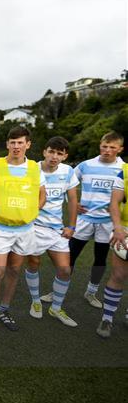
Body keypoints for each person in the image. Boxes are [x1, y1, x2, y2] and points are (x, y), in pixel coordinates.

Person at [0, 126, 46, 345]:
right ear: (7, 144)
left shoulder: (35, 167)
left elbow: (42, 194)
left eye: (20, 142)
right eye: (12, 142)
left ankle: (4, 310)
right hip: (0, 229)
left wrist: (33, 211)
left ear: (28, 144)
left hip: (24, 230)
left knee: (14, 270)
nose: (16, 146)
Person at [23, 137, 79, 327]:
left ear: (65, 156)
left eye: (59, 153)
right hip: (34, 227)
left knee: (64, 269)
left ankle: (56, 307)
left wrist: (71, 226)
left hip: (57, 229)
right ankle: (36, 301)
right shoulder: (31, 169)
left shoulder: (68, 172)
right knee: (34, 263)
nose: (54, 156)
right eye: (52, 152)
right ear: (44, 152)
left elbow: (72, 200)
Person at [69, 131, 124, 308]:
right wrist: (73, 204)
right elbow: (67, 183)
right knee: (70, 255)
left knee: (100, 259)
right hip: (84, 219)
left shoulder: (124, 169)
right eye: (104, 146)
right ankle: (58, 289)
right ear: (100, 146)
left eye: (112, 147)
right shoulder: (85, 165)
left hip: (107, 222)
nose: (107, 150)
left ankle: (91, 292)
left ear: (120, 149)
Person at [96, 163, 128, 338]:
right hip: (125, 231)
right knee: (118, 275)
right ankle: (107, 318)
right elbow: (114, 202)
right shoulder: (124, 172)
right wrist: (117, 227)